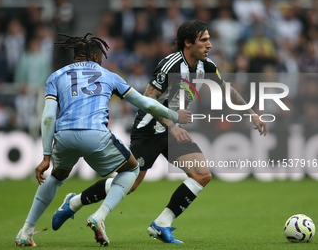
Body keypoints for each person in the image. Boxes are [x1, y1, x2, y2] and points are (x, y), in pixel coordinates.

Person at [51, 20, 268, 244]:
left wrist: (251, 113)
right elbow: (148, 99)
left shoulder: (207, 66)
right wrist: (172, 126)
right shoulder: (170, 64)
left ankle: (161, 224)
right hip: (148, 129)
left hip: (171, 131)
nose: (210, 45)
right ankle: (74, 202)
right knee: (131, 183)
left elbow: (225, 89)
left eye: (209, 39)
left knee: (202, 175)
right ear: (188, 42)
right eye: (204, 40)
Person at [14, 32, 192, 247]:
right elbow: (146, 104)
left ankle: (26, 230)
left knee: (56, 177)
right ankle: (99, 216)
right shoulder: (109, 75)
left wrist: (46, 155)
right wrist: (174, 115)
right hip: (95, 135)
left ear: (75, 57)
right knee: (132, 170)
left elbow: (49, 115)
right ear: (97, 57)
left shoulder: (56, 76)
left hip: (64, 136)